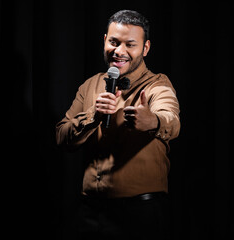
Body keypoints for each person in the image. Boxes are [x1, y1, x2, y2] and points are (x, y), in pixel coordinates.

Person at [56, 10, 180, 240]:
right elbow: (61, 136)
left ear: (145, 48)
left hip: (139, 214)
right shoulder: (90, 85)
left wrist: (152, 120)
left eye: (130, 44)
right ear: (105, 41)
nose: (119, 51)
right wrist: (94, 115)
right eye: (113, 42)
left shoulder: (158, 85)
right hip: (91, 213)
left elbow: (171, 120)